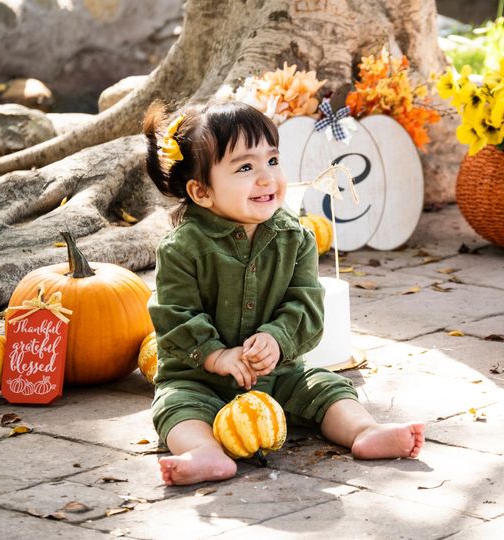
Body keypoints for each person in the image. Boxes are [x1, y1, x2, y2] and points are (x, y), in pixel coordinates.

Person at [143, 100, 424, 486]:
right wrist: (216, 356)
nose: (266, 178)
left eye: (272, 161)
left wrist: (278, 339)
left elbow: (306, 302)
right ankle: (204, 452)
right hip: (199, 377)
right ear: (202, 191)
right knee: (176, 406)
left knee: (326, 387)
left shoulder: (295, 236)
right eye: (245, 167)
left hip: (279, 373)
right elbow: (174, 315)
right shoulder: (182, 247)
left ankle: (363, 431)